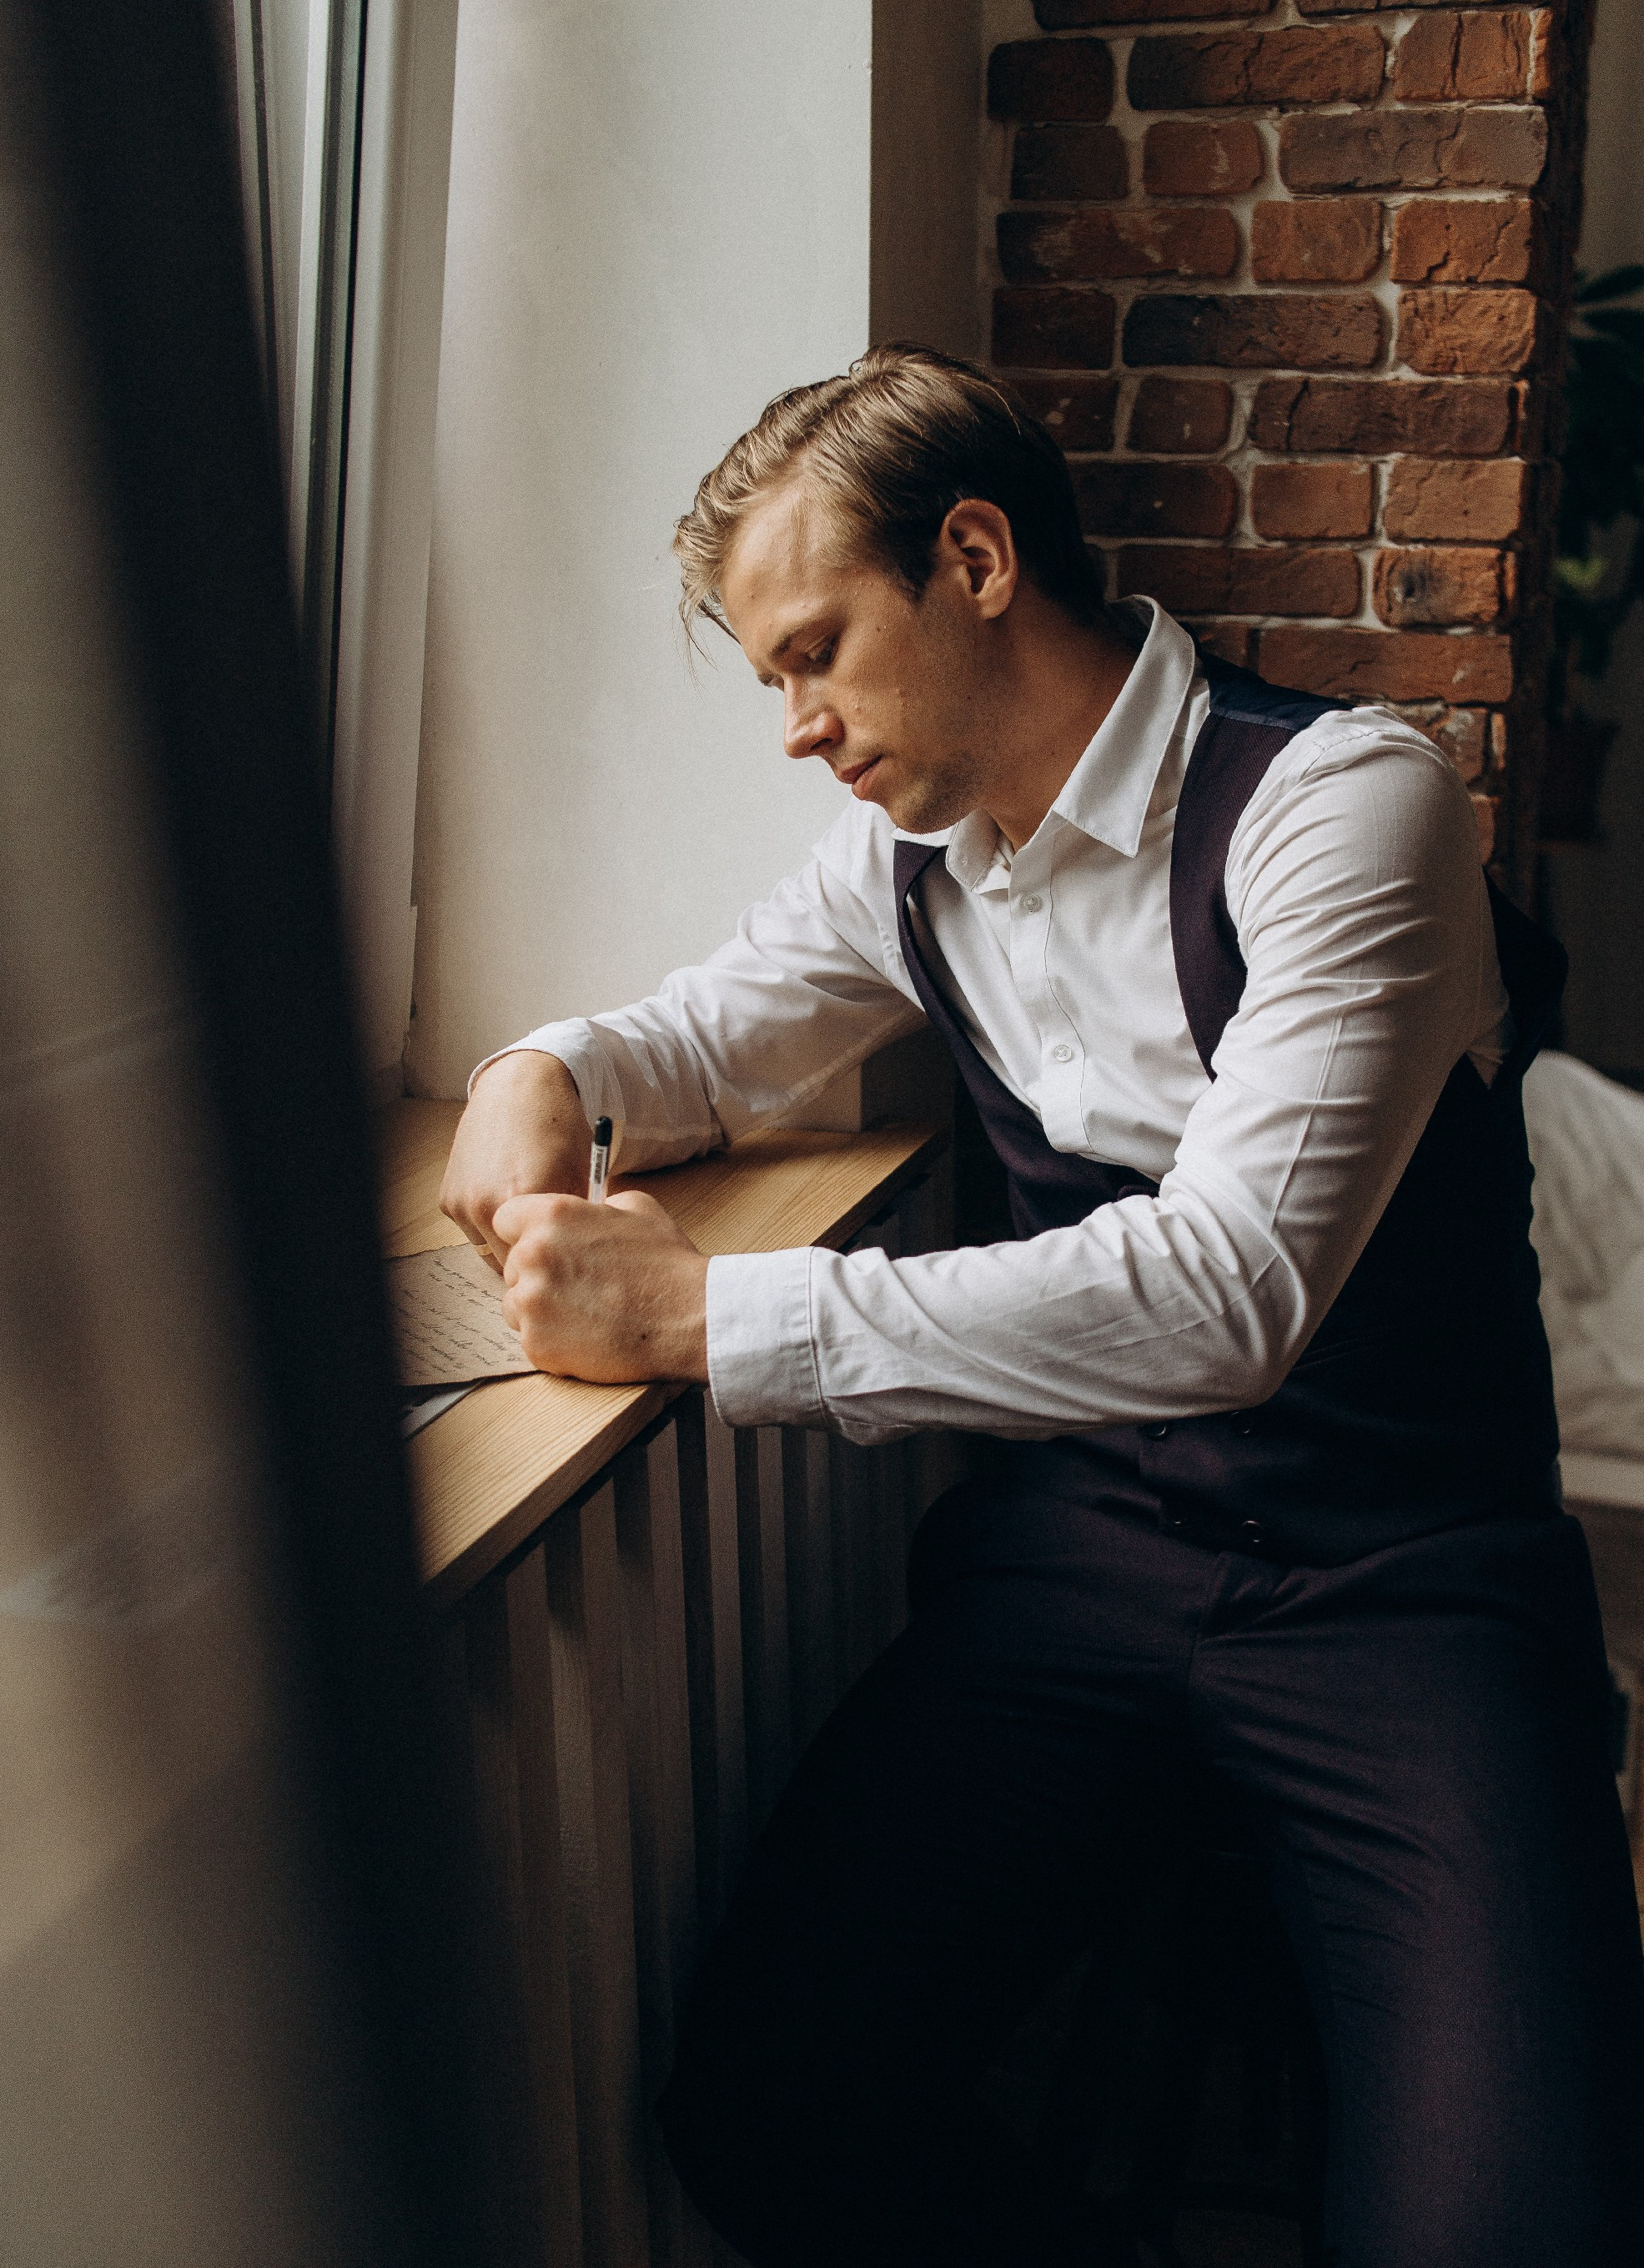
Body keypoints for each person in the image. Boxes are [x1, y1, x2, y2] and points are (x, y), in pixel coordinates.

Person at [440, 345, 1644, 2267]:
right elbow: (702, 1037)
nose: (795, 728)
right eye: (771, 679)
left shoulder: (1342, 809)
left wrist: (709, 1319)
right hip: (1088, 1563)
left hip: (1403, 1581)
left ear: (977, 560)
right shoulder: (910, 861)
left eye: (814, 650)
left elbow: (1231, 1292)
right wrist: (547, 1072)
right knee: (763, 2095)